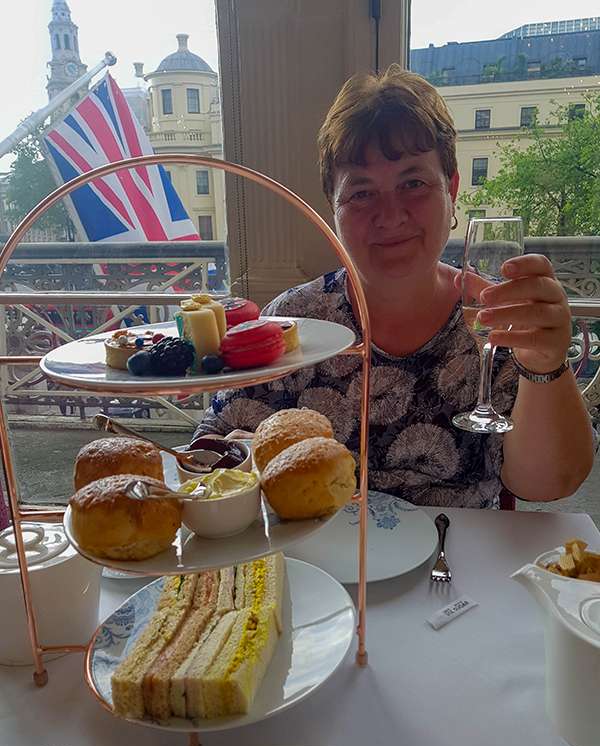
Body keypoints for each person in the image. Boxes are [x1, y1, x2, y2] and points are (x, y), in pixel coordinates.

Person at [194, 65, 595, 508]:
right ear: (333, 209)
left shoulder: (498, 322)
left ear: (451, 190)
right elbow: (209, 448)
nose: (390, 215)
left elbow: (546, 485)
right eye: (362, 193)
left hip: (455, 549)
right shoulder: (294, 321)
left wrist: (543, 363)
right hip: (319, 551)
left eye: (413, 183)